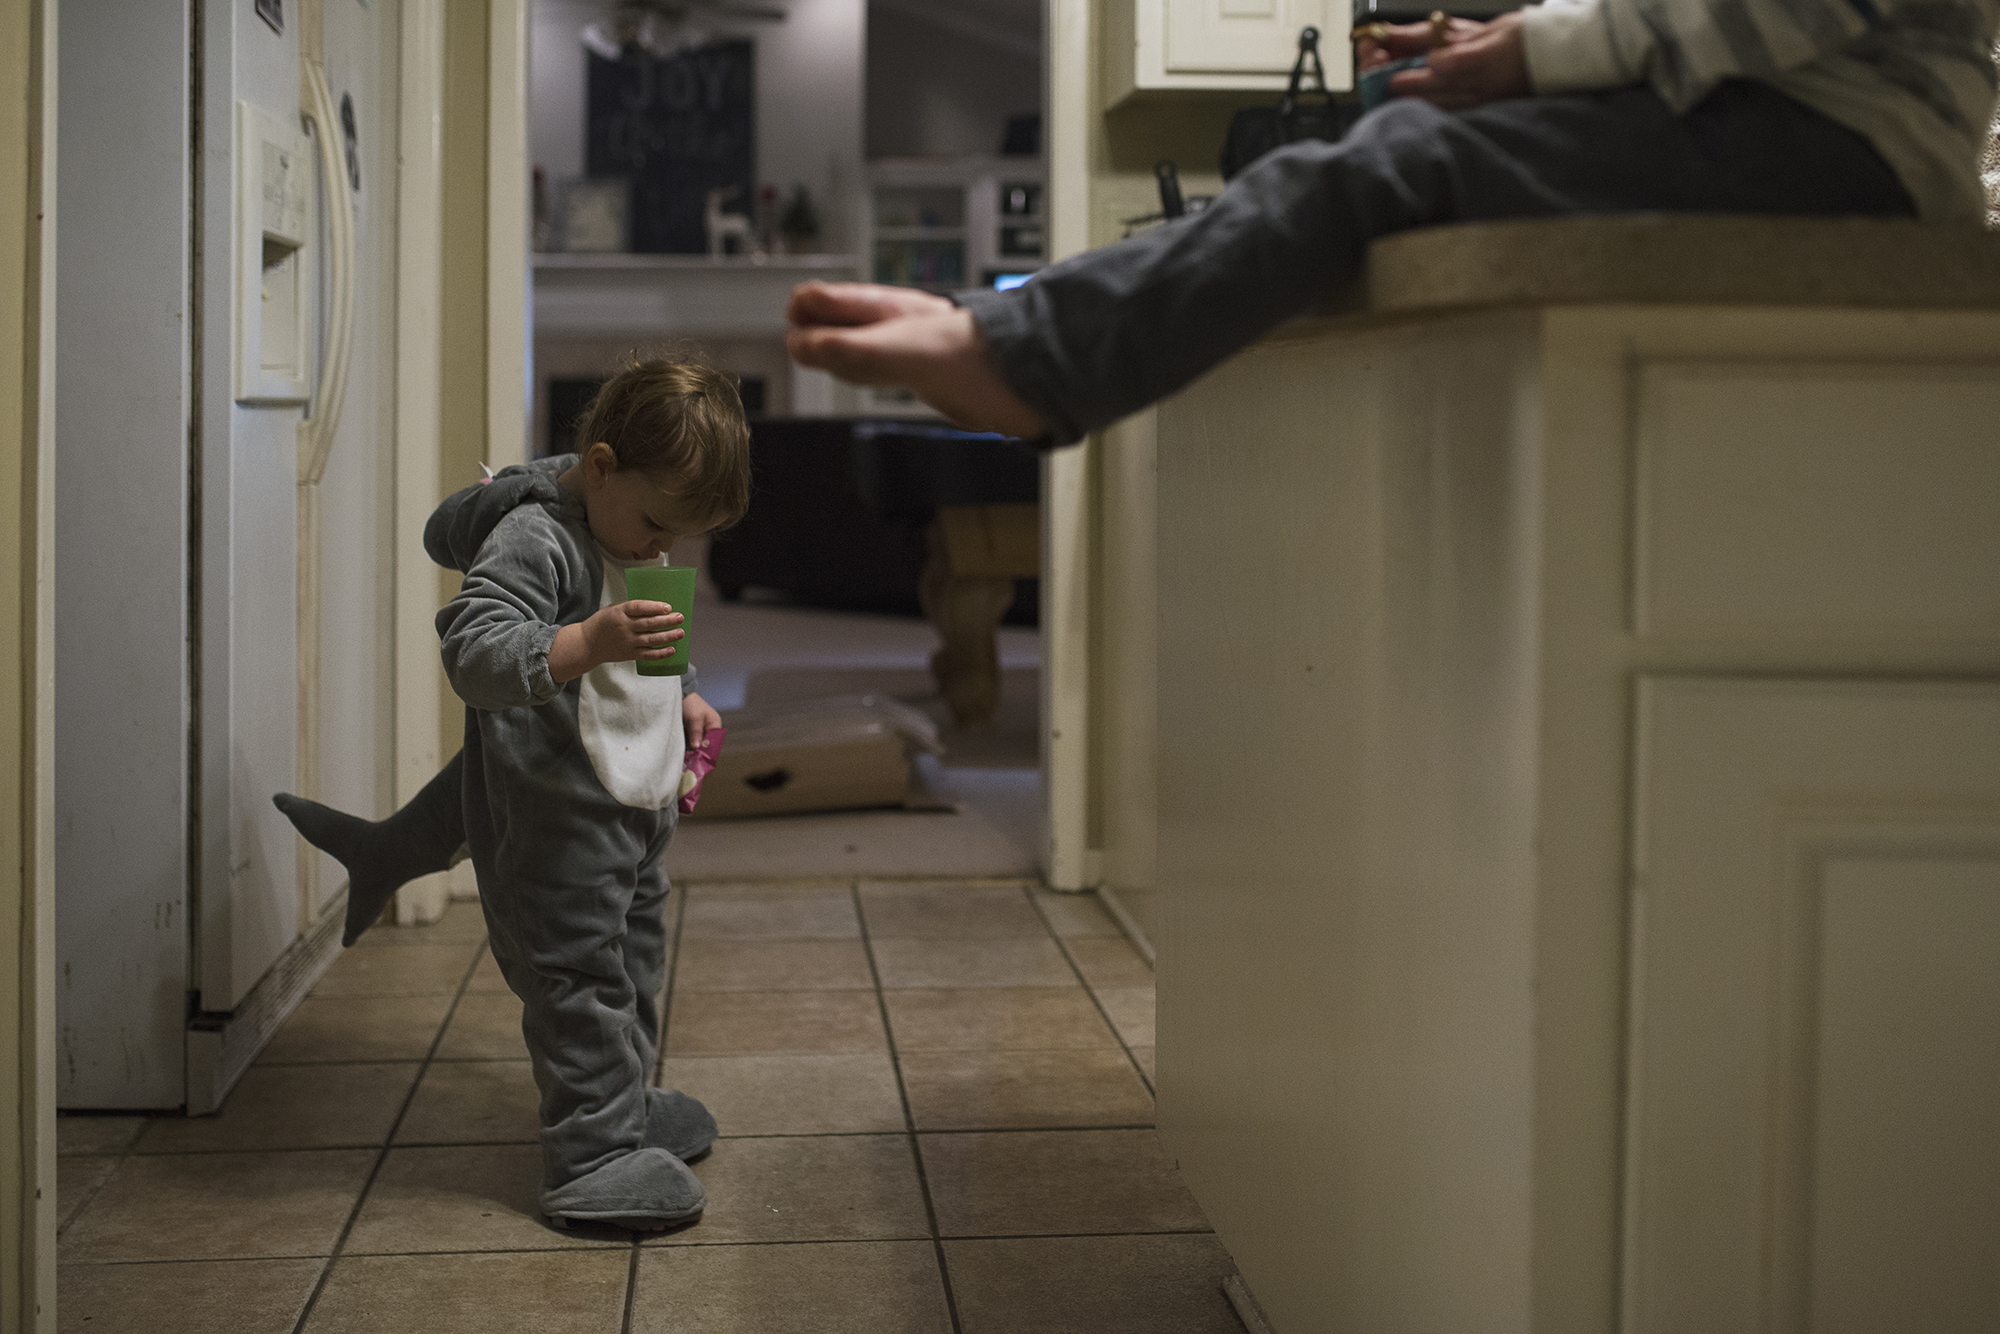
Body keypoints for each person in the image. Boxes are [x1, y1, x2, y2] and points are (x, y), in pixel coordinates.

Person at [786, 0, 1997, 444]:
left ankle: (1027, 356)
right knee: (1356, 163)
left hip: (1854, 140)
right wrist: (1520, 42)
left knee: (1388, 160)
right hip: (1805, 119)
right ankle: (1012, 324)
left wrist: (1544, 48)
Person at [275, 358, 749, 1230]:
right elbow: (476, 652)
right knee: (578, 983)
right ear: (601, 466)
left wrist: (683, 690)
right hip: (554, 828)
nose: (657, 550)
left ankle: (625, 1108)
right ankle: (591, 1156)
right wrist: (583, 640)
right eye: (652, 525)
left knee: (633, 962)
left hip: (624, 814)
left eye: (678, 539)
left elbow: (649, 635)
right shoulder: (535, 538)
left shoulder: (623, 530)